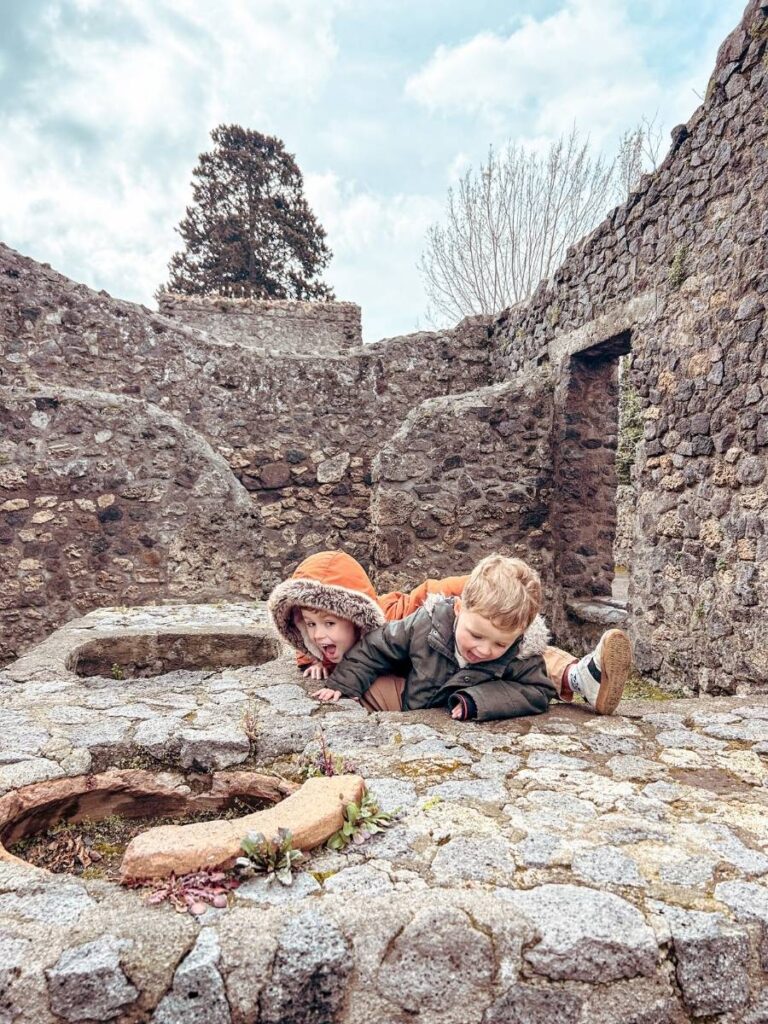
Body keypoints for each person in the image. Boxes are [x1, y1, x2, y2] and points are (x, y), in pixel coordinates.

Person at [268, 550, 631, 715]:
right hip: (427, 679)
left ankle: (580, 676)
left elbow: (436, 596)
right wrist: (310, 659)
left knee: (523, 653)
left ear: (355, 613)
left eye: (330, 624)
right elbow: (311, 632)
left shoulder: (400, 616)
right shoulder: (318, 638)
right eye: (310, 627)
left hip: (466, 641)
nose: (319, 635)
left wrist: (482, 598)